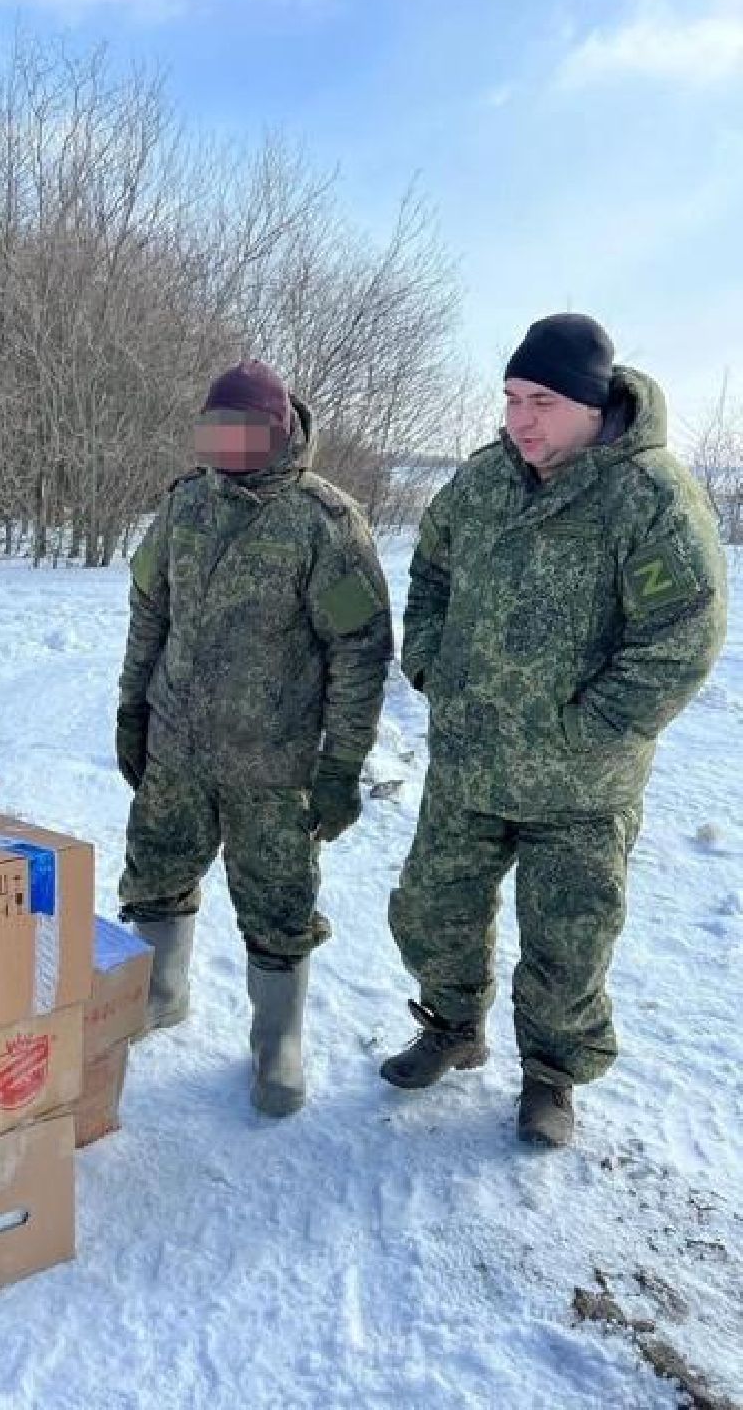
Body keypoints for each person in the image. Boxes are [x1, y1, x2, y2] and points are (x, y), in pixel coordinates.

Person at [380, 313, 727, 1147]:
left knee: (568, 943)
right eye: (509, 398)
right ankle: (452, 1027)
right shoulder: (482, 482)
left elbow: (683, 634)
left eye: (540, 400)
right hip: (470, 762)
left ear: (590, 402)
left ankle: (550, 1076)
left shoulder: (646, 497)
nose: (519, 420)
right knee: (431, 912)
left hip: (580, 783)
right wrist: (429, 660)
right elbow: (431, 571)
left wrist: (594, 725)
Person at [117, 359, 393, 1116]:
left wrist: (342, 762)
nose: (224, 445)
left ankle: (279, 1041)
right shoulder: (185, 506)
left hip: (274, 763)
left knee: (277, 902)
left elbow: (359, 650)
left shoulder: (324, 523)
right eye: (214, 430)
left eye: (240, 431)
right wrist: (132, 705)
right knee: (156, 870)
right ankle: (162, 993)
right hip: (177, 742)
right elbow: (149, 609)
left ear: (277, 433)